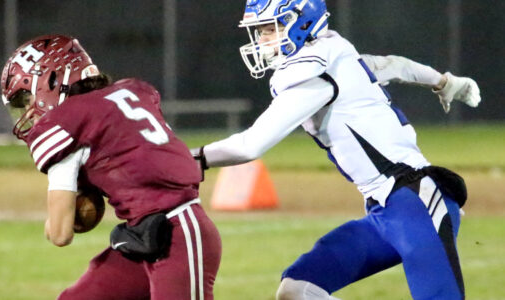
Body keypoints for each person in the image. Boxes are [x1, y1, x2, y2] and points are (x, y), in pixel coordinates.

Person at [191, 1, 480, 299]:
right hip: (385, 210)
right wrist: (444, 81)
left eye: (268, 29)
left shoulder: (315, 73)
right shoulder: (333, 55)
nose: (261, 40)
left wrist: (190, 158)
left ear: (300, 24)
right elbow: (395, 65)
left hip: (415, 200)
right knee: (297, 289)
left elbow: (250, 145)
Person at [0, 35, 221, 300]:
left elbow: (59, 234)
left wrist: (62, 215)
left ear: (51, 82)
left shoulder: (66, 121)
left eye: (27, 99)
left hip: (180, 234)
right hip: (145, 235)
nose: (30, 112)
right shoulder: (127, 94)